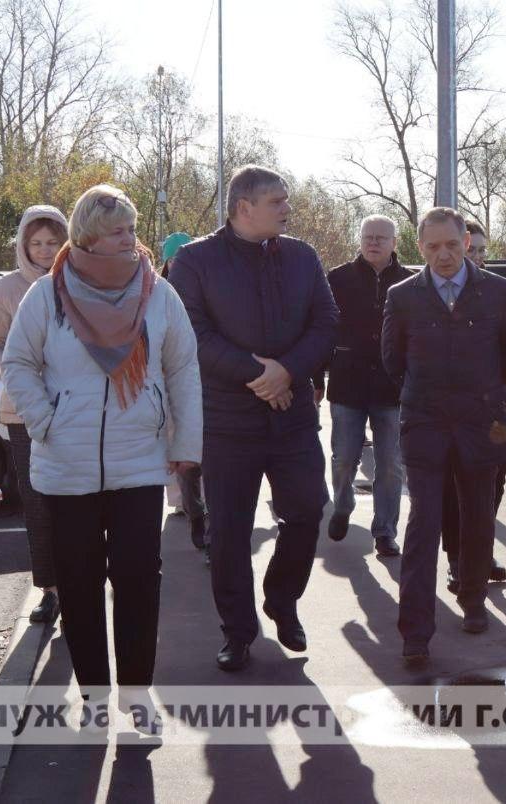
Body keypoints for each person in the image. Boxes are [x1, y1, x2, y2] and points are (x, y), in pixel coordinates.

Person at [2, 185, 202, 734]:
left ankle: (137, 698)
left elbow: (183, 368)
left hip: (140, 461)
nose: (131, 239)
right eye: (119, 231)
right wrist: (46, 421)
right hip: (65, 467)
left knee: (140, 582)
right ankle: (93, 698)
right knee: (81, 585)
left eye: (133, 229)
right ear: (89, 234)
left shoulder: (159, 294)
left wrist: (185, 444)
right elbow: (18, 361)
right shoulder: (46, 295)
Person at [168, 165, 337, 672]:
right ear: (245, 207)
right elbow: (192, 334)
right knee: (229, 533)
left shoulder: (303, 257)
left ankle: (282, 600)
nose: (288, 208)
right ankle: (238, 632)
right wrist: (258, 375)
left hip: (293, 420)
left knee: (308, 511)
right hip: (226, 421)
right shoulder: (195, 261)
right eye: (278, 200)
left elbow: (327, 323)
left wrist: (287, 372)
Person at [383, 207, 506, 662]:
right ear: (419, 248)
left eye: (450, 244)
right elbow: (392, 361)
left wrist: (489, 397)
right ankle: (415, 632)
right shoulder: (402, 296)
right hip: (424, 422)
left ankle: (473, 599)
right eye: (432, 247)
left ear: (466, 242)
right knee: (423, 521)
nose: (442, 256)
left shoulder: (497, 292)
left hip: (481, 422)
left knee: (478, 514)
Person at [0, 204, 69, 626]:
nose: (45, 251)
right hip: (24, 415)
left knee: (81, 504)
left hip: (77, 413)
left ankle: (83, 585)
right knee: (39, 506)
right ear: (23, 246)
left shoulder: (79, 282)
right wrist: (19, 377)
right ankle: (50, 590)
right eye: (36, 243)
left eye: (53, 242)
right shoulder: (6, 290)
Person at [322, 215, 410, 556]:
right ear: (359, 240)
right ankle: (342, 506)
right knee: (344, 457)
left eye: (381, 238)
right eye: (368, 237)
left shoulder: (408, 282)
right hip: (348, 384)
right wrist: (316, 376)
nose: (373, 243)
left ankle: (385, 531)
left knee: (390, 463)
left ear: (394, 243)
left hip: (392, 389)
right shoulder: (338, 279)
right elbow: (322, 328)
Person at [438, 220, 506, 593]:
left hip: (493, 412)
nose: (479, 256)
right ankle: (457, 559)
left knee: (494, 482)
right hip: (451, 414)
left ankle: (481, 551)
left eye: (483, 250)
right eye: (474, 249)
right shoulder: (441, 292)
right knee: (455, 489)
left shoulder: (496, 291)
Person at [159, 231, 207, 560]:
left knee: (202, 448)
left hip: (206, 377)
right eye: (173, 257)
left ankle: (202, 514)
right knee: (176, 441)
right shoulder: (157, 290)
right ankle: (186, 506)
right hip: (168, 378)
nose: (177, 262)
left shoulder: (207, 286)